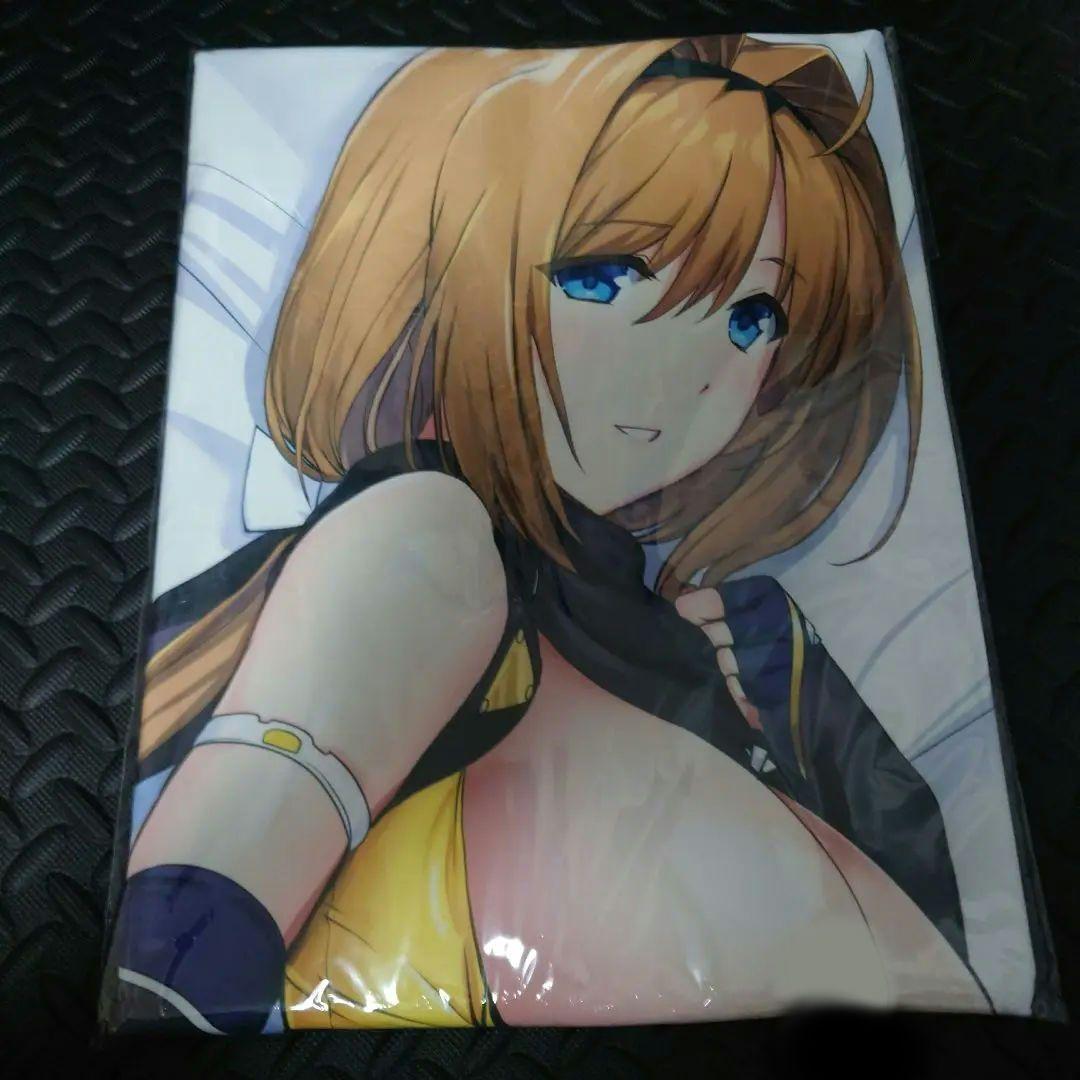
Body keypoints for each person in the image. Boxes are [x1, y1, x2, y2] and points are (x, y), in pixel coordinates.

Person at [110, 35, 990, 1033]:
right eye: (603, 276)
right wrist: (191, 933)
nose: (686, 366)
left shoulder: (728, 640)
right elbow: (203, 906)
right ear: (442, 260)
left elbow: (934, 910)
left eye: (752, 318)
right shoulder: (429, 528)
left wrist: (797, 709)